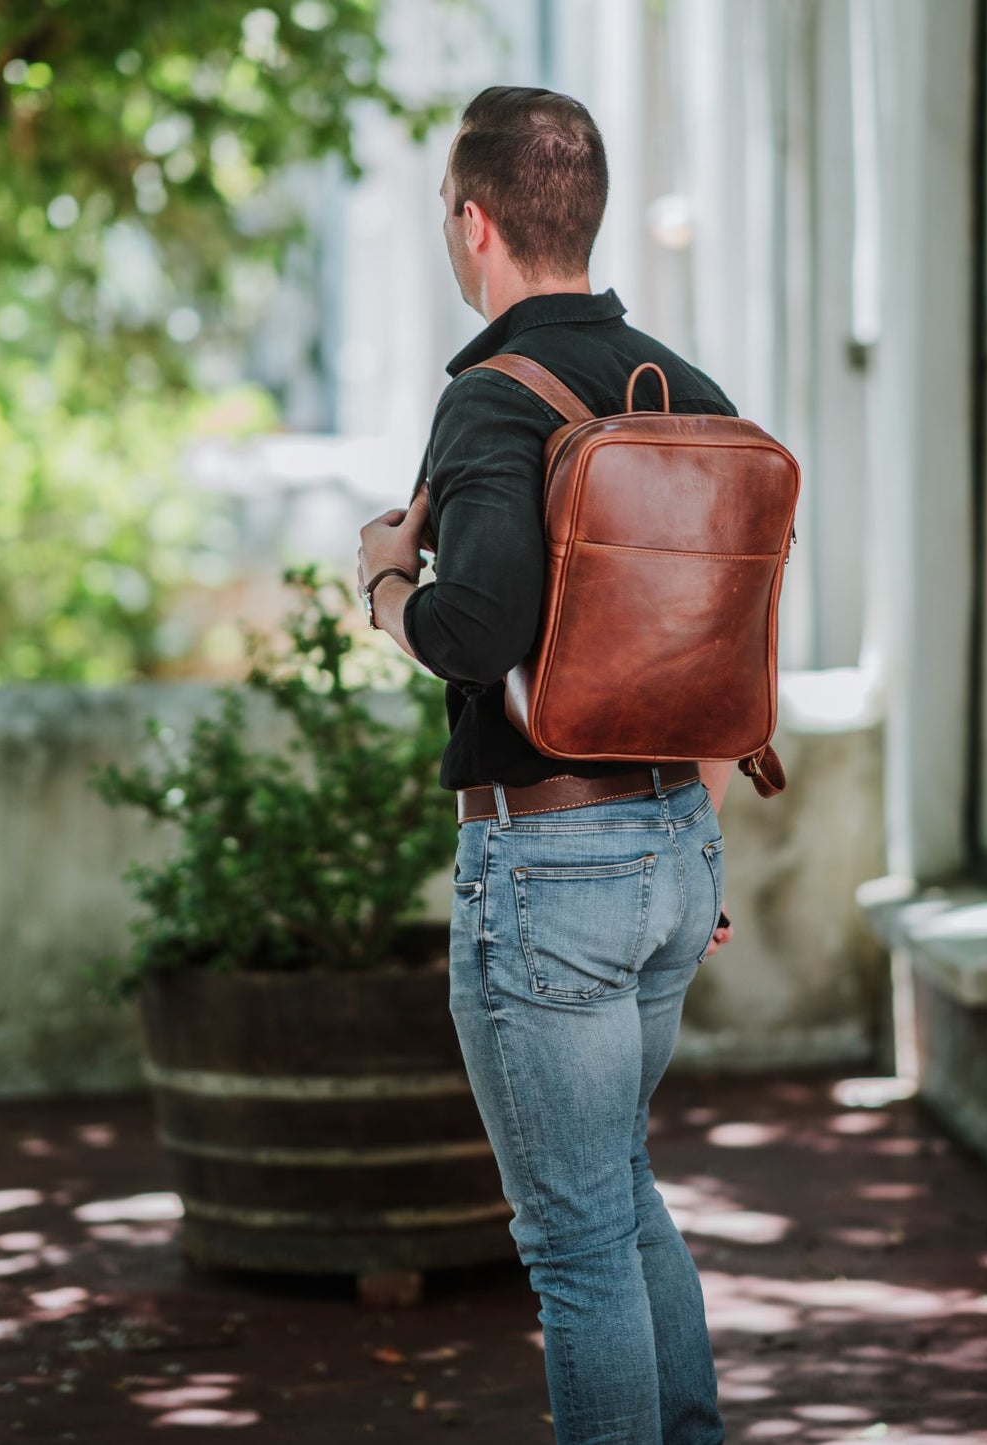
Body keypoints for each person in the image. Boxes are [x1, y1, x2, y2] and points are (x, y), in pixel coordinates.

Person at [355, 85, 732, 1445]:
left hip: (550, 861)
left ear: (474, 224)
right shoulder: (686, 387)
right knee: (617, 1192)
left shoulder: (491, 403)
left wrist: (386, 581)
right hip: (675, 840)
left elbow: (477, 628)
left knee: (574, 1241)